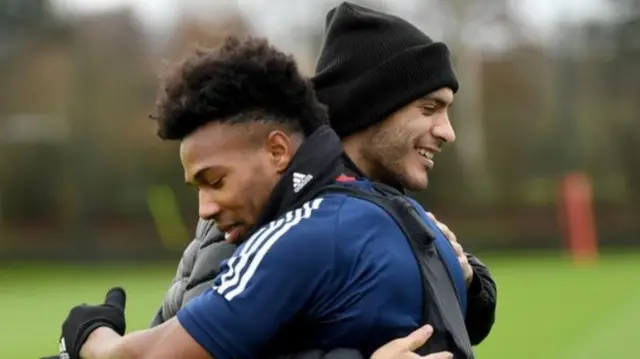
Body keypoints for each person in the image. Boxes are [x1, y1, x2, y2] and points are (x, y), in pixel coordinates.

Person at [55, 35, 467, 359]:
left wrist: (88, 333)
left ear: (277, 151)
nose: (205, 209)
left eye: (214, 181)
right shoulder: (405, 215)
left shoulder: (305, 233)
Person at [149, 0, 496, 349]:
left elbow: (451, 323)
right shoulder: (247, 214)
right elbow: (187, 352)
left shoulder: (379, 202)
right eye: (429, 108)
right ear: (374, 107)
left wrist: (467, 280)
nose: (447, 132)